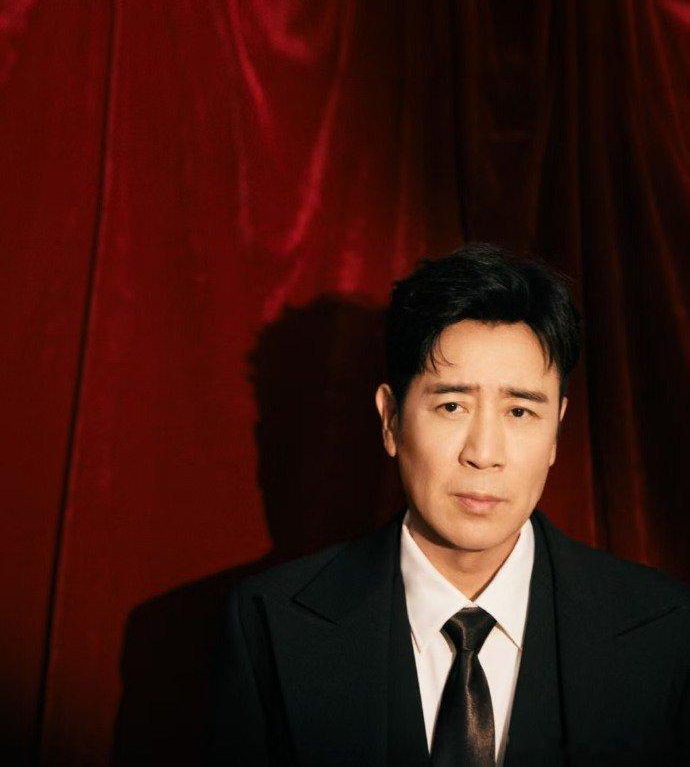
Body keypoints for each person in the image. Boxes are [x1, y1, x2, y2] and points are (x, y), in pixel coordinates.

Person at [208, 244, 690, 765]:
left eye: (520, 412)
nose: (483, 453)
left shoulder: (665, 628)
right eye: (452, 405)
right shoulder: (268, 624)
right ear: (391, 420)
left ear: (557, 430)